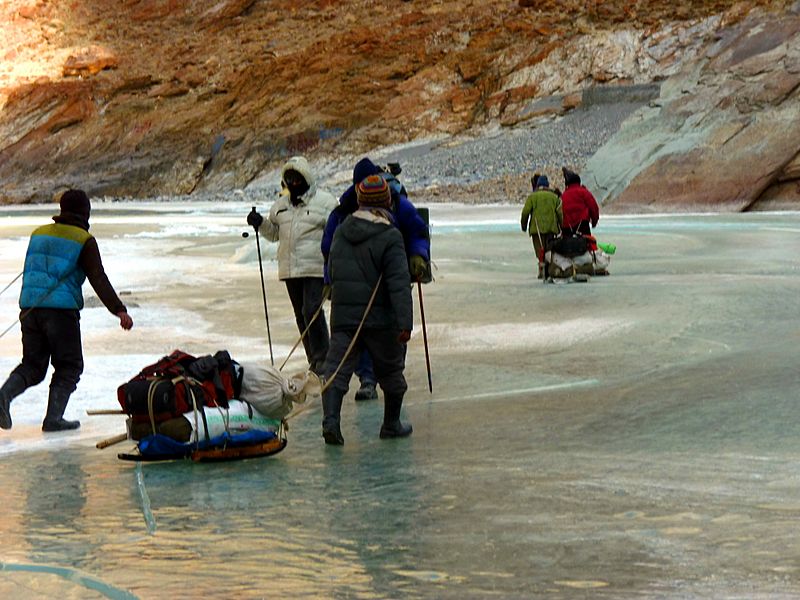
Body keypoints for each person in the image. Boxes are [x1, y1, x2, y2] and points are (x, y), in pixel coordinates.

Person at [0, 189, 133, 432]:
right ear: (85, 212)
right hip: (60, 312)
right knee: (69, 365)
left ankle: (3, 396)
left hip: (30, 307)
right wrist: (119, 310)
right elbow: (98, 278)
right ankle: (53, 419)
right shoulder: (83, 239)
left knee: (33, 365)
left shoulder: (39, 234)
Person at [321, 157, 430, 401]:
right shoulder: (345, 207)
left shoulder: (398, 203)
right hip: (356, 281)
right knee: (363, 332)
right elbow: (329, 247)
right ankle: (369, 380)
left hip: (390, 276)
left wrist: (418, 256)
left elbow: (417, 231)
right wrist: (329, 277)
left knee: (387, 332)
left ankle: (390, 380)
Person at [321, 174, 414, 445]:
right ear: (386, 201)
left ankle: (331, 423)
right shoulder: (390, 235)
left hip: (344, 316)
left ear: (360, 201)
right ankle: (391, 424)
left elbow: (332, 271)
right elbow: (399, 283)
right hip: (379, 318)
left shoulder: (341, 230)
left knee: (336, 371)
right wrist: (405, 323)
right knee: (391, 373)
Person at [247, 156, 338, 375]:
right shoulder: (279, 207)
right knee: (301, 314)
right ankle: (314, 359)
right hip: (289, 269)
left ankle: (323, 358)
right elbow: (275, 234)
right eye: (289, 180)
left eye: (297, 179)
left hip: (316, 267)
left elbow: (336, 232)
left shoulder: (326, 203)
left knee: (312, 310)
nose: (293, 184)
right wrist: (260, 223)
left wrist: (333, 266)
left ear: (306, 178)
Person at [520, 174, 562, 279]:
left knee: (540, 251)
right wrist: (562, 226)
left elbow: (525, 212)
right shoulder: (554, 197)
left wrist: (524, 225)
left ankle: (541, 268)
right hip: (551, 228)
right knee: (549, 249)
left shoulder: (532, 197)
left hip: (536, 228)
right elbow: (560, 213)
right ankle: (548, 269)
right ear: (547, 185)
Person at [560, 167, 599, 236]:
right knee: (586, 244)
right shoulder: (584, 192)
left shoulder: (563, 195)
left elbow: (560, 212)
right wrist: (594, 222)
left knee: (568, 246)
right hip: (582, 226)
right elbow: (593, 207)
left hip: (567, 227)